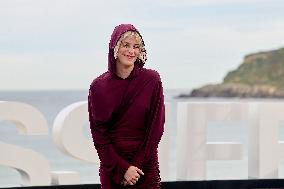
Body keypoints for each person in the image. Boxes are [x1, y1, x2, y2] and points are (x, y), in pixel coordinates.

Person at [88, 24, 165, 189]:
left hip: (144, 166)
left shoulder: (152, 80)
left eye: (136, 47)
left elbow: (156, 129)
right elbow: (99, 135)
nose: (131, 51)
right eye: (126, 45)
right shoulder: (98, 86)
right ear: (114, 48)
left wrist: (134, 168)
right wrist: (122, 169)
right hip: (112, 166)